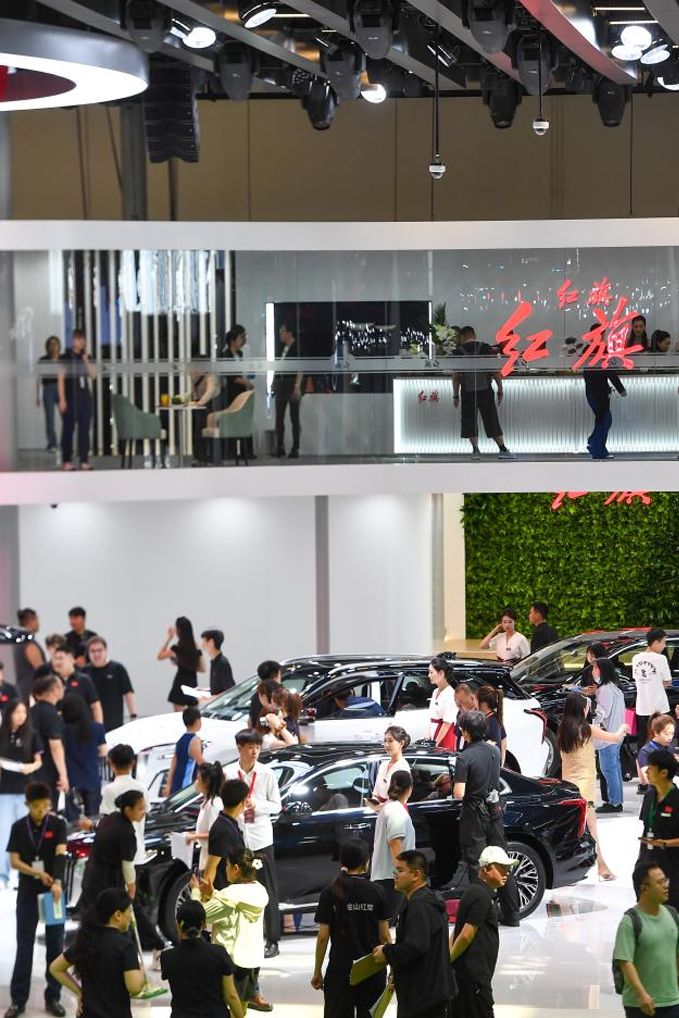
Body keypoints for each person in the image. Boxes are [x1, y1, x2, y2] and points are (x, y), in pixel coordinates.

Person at [5, 781, 67, 1018]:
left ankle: (54, 997)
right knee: (24, 946)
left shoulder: (58, 825)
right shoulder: (19, 827)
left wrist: (57, 881)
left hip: (53, 892)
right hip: (28, 893)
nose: (41, 810)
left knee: (55, 945)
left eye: (45, 806)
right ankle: (18, 1000)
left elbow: (60, 854)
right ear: (27, 804)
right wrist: (36, 873)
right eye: (36, 807)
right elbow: (14, 861)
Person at [97, 747, 164, 964]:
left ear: (111, 763)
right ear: (133, 763)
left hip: (120, 859)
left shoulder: (109, 790)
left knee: (129, 906)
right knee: (130, 906)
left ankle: (154, 944)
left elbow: (106, 823)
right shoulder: (141, 787)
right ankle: (141, 947)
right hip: (138, 854)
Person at [453, 709, 519, 925]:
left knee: (477, 865)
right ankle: (512, 914)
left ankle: (483, 915)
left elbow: (459, 793)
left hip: (474, 815)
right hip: (495, 810)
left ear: (466, 732)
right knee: (502, 861)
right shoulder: (494, 751)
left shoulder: (464, 757)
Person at [311, 839, 391, 1018]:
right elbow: (385, 936)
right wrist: (393, 966)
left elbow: (323, 937)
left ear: (342, 861)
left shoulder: (330, 892)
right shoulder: (377, 891)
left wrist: (317, 970)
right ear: (366, 861)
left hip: (340, 970)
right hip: (371, 968)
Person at [372, 851, 455, 1018]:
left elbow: (415, 946)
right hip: (431, 991)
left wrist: (386, 952)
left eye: (400, 870)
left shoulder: (419, 905)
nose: (395, 875)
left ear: (416, 874)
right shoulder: (426, 899)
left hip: (423, 997)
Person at [223, 729, 282, 959]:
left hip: (261, 838)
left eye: (257, 747)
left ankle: (273, 939)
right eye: (250, 747)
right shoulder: (229, 773)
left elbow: (276, 805)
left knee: (268, 889)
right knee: (238, 889)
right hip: (237, 837)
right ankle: (242, 937)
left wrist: (257, 805)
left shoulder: (266, 773)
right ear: (239, 748)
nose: (255, 751)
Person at [557, 690, 627, 880]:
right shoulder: (586, 729)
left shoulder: (563, 729)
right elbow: (614, 738)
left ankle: (577, 869)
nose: (588, 710)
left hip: (568, 785)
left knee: (575, 829)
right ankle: (601, 867)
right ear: (582, 709)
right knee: (591, 828)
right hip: (585, 786)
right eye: (587, 707)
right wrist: (622, 728)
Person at [192, 847, 269, 1010]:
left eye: (227, 865)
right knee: (241, 1008)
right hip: (251, 960)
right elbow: (235, 905)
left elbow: (197, 915)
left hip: (229, 961)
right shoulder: (259, 890)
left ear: (236, 868)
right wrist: (214, 894)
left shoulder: (229, 894)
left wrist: (196, 892)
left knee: (224, 1008)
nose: (225, 869)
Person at [49, 888, 144, 1018]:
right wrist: (141, 973)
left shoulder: (86, 940)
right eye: (129, 911)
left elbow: (55, 968)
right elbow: (134, 987)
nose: (131, 916)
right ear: (117, 915)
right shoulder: (126, 946)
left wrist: (80, 992)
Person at [450, 845, 518, 1018]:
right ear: (486, 869)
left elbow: (456, 932)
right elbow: (466, 934)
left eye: (508, 868)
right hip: (474, 979)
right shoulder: (481, 895)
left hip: (466, 978)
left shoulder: (474, 891)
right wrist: (448, 960)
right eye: (502, 868)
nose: (507, 873)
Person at [613, 859, 679, 1018]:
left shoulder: (673, 915)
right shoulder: (630, 921)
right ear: (644, 889)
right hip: (640, 1005)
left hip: (671, 1001)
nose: (666, 886)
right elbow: (625, 962)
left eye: (665, 880)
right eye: (660, 882)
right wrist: (642, 994)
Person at [160, 899, 245, 1018]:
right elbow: (231, 995)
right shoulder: (219, 953)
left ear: (178, 924)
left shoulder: (168, 957)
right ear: (204, 924)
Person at [0, 699, 43, 888]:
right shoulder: (1, 733)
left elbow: (38, 760)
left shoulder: (31, 734)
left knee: (28, 832)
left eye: (24, 712)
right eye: (17, 712)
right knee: (4, 832)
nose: (21, 716)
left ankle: (27, 874)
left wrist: (30, 767)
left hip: (26, 789)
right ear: (9, 713)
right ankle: (3, 875)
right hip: (4, 790)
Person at [452, 326, 511, 460]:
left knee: (469, 420)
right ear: (474, 335)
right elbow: (495, 371)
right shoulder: (485, 348)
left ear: (462, 337)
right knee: (491, 419)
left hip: (467, 391)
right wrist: (500, 388)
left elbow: (456, 377)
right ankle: (503, 449)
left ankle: (475, 451)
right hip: (485, 390)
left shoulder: (457, 352)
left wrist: (455, 395)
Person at [79, 789, 145, 909]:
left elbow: (101, 829)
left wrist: (91, 827)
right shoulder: (127, 833)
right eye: (140, 809)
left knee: (90, 913)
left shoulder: (111, 817)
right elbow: (127, 866)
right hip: (106, 883)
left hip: (91, 876)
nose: (144, 812)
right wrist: (131, 888)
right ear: (128, 810)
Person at [370, 771, 415, 919]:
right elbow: (395, 842)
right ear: (410, 789)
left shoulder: (388, 808)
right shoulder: (396, 811)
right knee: (385, 925)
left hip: (386, 877)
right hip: (392, 879)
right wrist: (403, 873)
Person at [639, 749, 679, 910]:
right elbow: (645, 829)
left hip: (673, 870)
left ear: (663, 773)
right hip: (649, 866)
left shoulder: (676, 800)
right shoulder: (649, 797)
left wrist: (664, 843)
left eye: (650, 768)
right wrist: (640, 862)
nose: (646, 771)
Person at [61, 693, 107, 819]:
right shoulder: (97, 728)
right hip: (91, 777)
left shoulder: (62, 730)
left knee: (73, 820)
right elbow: (103, 751)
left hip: (70, 779)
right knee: (93, 818)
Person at [58, 329, 96, 471]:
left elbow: (93, 376)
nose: (82, 342)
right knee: (68, 429)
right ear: (73, 340)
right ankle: (67, 460)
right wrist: (62, 399)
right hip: (70, 397)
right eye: (79, 339)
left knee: (85, 429)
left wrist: (86, 360)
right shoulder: (65, 357)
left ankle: (84, 460)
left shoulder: (86, 356)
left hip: (84, 397)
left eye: (83, 339)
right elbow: (60, 379)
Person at [592, 658, 627, 815]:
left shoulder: (605, 690)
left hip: (608, 735)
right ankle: (616, 800)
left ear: (602, 670)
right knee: (614, 768)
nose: (593, 671)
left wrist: (592, 722)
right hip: (617, 733)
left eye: (595, 668)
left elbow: (602, 713)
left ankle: (614, 802)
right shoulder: (614, 687)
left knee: (608, 769)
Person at [633, 628, 672, 761]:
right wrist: (656, 686)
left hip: (642, 707)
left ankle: (642, 768)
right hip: (659, 706)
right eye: (663, 642)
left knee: (643, 739)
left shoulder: (636, 658)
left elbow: (637, 679)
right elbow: (667, 681)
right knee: (661, 739)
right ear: (655, 642)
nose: (664, 646)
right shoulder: (661, 659)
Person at [84, 637, 137, 732]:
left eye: (99, 650)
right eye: (93, 651)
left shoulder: (117, 668)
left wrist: (133, 715)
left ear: (106, 650)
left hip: (114, 723)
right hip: (90, 723)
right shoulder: (84, 671)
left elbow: (128, 693)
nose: (96, 654)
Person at [30, 676, 69, 806]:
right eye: (61, 686)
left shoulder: (30, 711)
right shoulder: (51, 714)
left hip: (33, 770)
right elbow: (55, 745)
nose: (63, 689)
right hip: (49, 772)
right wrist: (63, 774)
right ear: (54, 690)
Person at [204, 778, 248, 889]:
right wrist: (206, 896)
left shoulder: (229, 823)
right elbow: (211, 867)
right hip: (224, 890)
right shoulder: (222, 829)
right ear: (242, 802)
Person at [583, 351, 627, 460]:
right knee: (605, 420)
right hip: (600, 393)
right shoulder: (600, 355)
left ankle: (597, 447)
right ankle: (595, 445)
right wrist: (621, 389)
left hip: (592, 393)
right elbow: (610, 373)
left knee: (603, 420)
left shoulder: (588, 354)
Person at [185, 762, 225, 874]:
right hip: (205, 854)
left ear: (206, 782)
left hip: (212, 857)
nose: (196, 782)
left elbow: (215, 833)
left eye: (198, 779)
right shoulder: (206, 803)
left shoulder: (214, 804)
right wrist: (195, 834)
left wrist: (195, 836)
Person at [158, 616, 205, 710]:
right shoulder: (196, 646)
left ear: (178, 631)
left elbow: (160, 656)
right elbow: (203, 669)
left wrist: (169, 638)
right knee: (193, 715)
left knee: (178, 716)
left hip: (180, 682)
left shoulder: (177, 647)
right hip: (192, 682)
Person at [273, 323, 303, 459]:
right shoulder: (281, 348)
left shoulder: (297, 348)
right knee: (279, 418)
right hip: (281, 384)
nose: (280, 334)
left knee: (294, 418)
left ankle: (295, 447)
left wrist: (297, 386)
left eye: (282, 331)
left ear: (289, 333)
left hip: (291, 384)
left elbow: (300, 368)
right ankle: (280, 446)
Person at [52, 646, 103, 725]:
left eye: (61, 658)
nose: (57, 662)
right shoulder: (52, 682)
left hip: (83, 726)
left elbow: (95, 705)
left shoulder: (83, 680)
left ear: (72, 660)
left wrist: (99, 726)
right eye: (55, 659)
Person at [164, 706, 205, 797]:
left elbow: (173, 764)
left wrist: (168, 784)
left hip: (176, 783)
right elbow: (201, 762)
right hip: (187, 784)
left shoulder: (180, 740)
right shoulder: (195, 740)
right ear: (197, 721)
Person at [370, 726, 411, 805]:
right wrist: (374, 802)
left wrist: (379, 807)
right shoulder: (383, 765)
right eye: (385, 741)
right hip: (378, 810)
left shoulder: (403, 767)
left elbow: (400, 801)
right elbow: (375, 792)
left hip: (395, 811)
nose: (386, 744)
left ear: (401, 743)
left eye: (390, 741)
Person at [638, 714, 678, 793]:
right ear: (656, 733)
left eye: (672, 734)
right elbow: (649, 779)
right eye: (667, 734)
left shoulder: (670, 748)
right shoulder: (645, 752)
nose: (670, 737)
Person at [14, 609, 46, 703]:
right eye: (37, 620)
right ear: (31, 621)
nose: (38, 624)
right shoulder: (29, 644)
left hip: (23, 691)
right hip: (32, 693)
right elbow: (41, 670)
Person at [37, 336, 62, 452]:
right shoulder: (43, 360)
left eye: (55, 343)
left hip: (61, 389)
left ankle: (65, 443)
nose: (53, 346)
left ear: (59, 346)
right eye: (51, 344)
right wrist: (38, 396)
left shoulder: (62, 359)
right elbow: (39, 378)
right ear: (47, 346)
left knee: (66, 417)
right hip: (48, 389)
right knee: (50, 418)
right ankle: (52, 443)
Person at [428, 655, 457, 750]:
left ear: (441, 673)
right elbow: (431, 716)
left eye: (431, 672)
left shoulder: (450, 694)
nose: (429, 675)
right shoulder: (435, 692)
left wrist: (436, 743)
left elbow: (447, 723)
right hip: (433, 732)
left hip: (445, 735)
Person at [476, 686, 507, 766]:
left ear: (484, 704)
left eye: (476, 700)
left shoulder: (491, 722)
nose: (474, 703)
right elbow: (503, 741)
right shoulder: (495, 719)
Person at [201, 630, 235, 697]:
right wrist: (207, 690)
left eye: (204, 641)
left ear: (211, 642)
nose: (202, 645)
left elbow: (229, 691)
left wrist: (209, 699)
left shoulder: (222, 663)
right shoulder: (214, 662)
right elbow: (218, 687)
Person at [248, 662, 282, 728]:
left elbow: (251, 721)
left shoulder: (256, 696)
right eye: (280, 675)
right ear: (275, 677)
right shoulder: (279, 695)